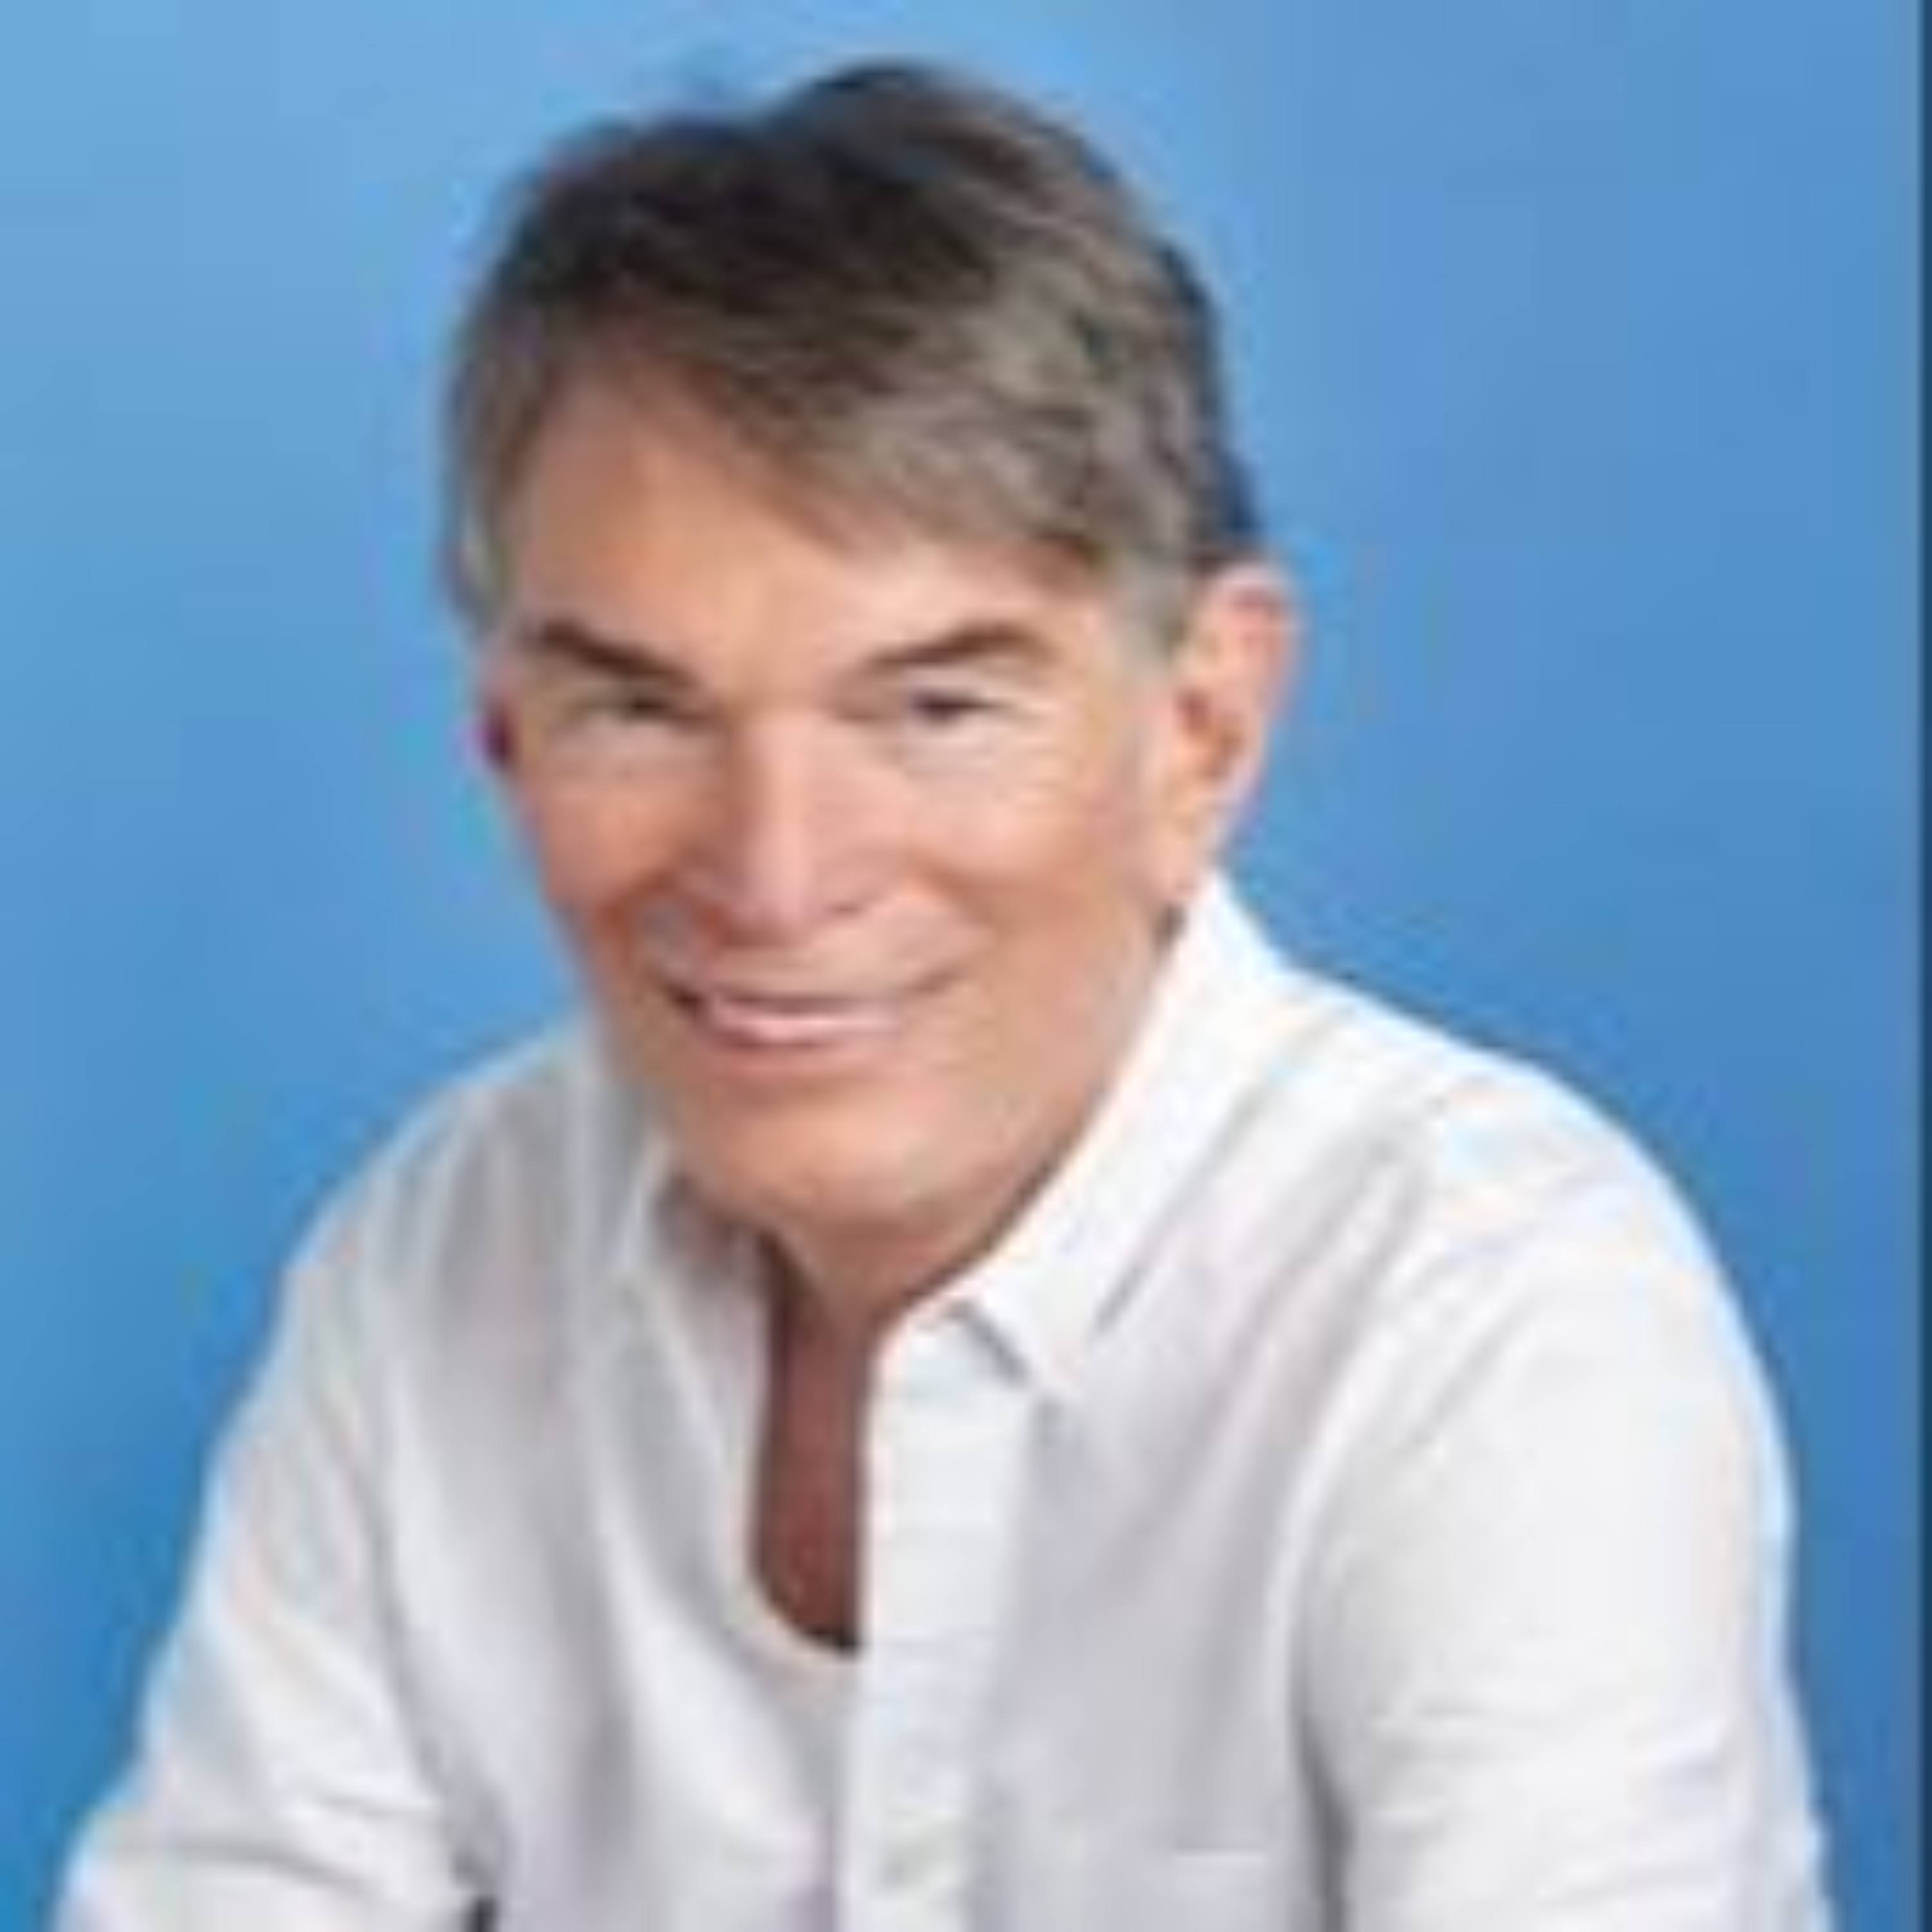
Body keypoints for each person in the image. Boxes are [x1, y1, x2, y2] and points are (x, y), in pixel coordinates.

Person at [55, 59, 1832, 1931]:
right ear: (506, 738)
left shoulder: (1493, 1318)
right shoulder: (438, 1253)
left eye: (936, 707)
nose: (777, 875)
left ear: (1204, 729)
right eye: (641, 709)